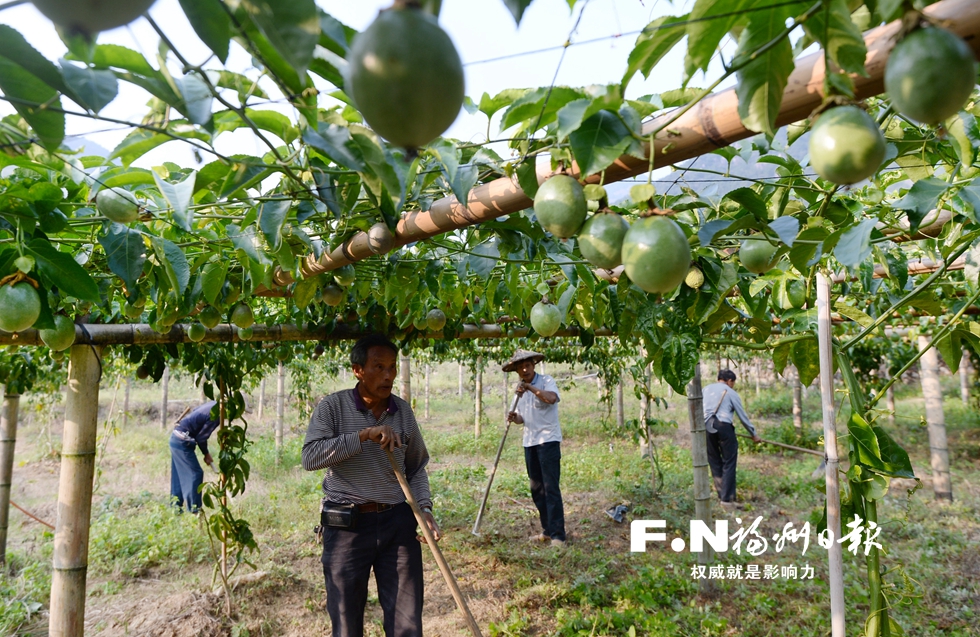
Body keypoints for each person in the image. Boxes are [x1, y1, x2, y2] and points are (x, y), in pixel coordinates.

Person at [302, 334, 440, 637]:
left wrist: (425, 510)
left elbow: (415, 467)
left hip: (397, 523)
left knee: (407, 622)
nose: (388, 375)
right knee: (346, 620)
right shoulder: (332, 407)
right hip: (346, 526)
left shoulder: (402, 412)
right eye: (379, 367)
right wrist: (362, 437)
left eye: (392, 367)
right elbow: (310, 457)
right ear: (358, 370)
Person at [503, 349, 566, 547]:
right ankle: (547, 531)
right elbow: (523, 418)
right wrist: (515, 418)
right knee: (537, 490)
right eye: (520, 368)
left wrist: (530, 388)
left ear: (533, 365)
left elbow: (551, 399)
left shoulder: (546, 381)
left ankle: (558, 535)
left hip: (548, 441)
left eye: (527, 365)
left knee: (551, 488)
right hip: (530, 443)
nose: (524, 369)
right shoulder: (519, 393)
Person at [702, 369, 762, 507]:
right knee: (729, 461)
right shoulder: (730, 392)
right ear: (729, 381)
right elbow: (742, 415)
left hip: (706, 426)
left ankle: (721, 494)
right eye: (733, 383)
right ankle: (727, 499)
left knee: (714, 460)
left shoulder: (706, 389)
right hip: (723, 426)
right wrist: (753, 433)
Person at [170, 400, 218, 513]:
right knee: (195, 474)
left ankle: (175, 507)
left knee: (178, 473)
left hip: (175, 438)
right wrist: (206, 454)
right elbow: (201, 438)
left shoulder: (212, 404)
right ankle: (194, 509)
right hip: (182, 441)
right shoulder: (216, 414)